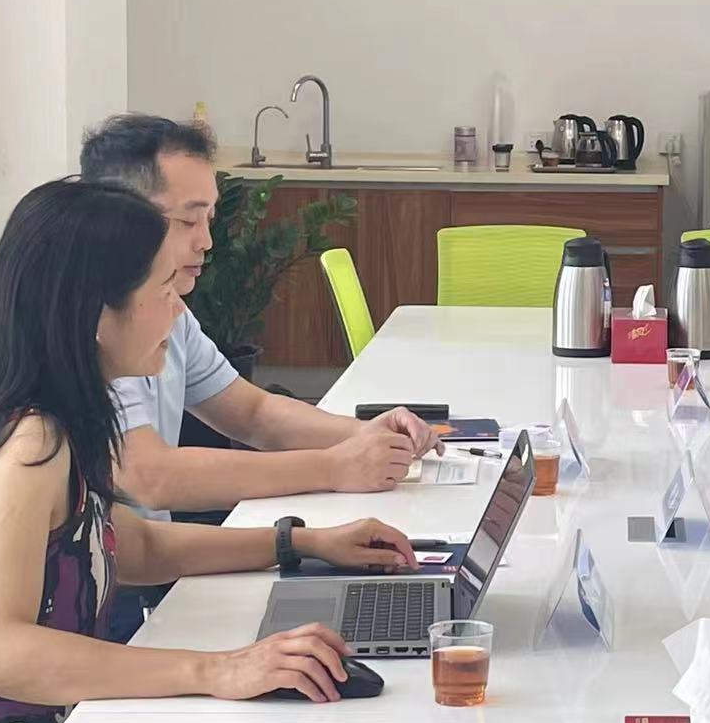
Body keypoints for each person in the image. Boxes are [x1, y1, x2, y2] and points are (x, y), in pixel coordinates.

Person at [0, 180, 422, 723]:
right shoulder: (29, 441)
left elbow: (131, 545)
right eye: (165, 290)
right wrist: (219, 670)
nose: (178, 309)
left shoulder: (50, 407)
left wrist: (301, 543)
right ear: (97, 313)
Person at [79, 115, 441, 637]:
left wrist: (365, 436)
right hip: (113, 606)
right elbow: (149, 477)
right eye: (188, 221)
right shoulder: (98, 335)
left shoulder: (164, 311)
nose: (207, 242)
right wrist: (333, 467)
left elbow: (250, 411)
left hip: (147, 573)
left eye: (210, 219)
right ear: (121, 221)